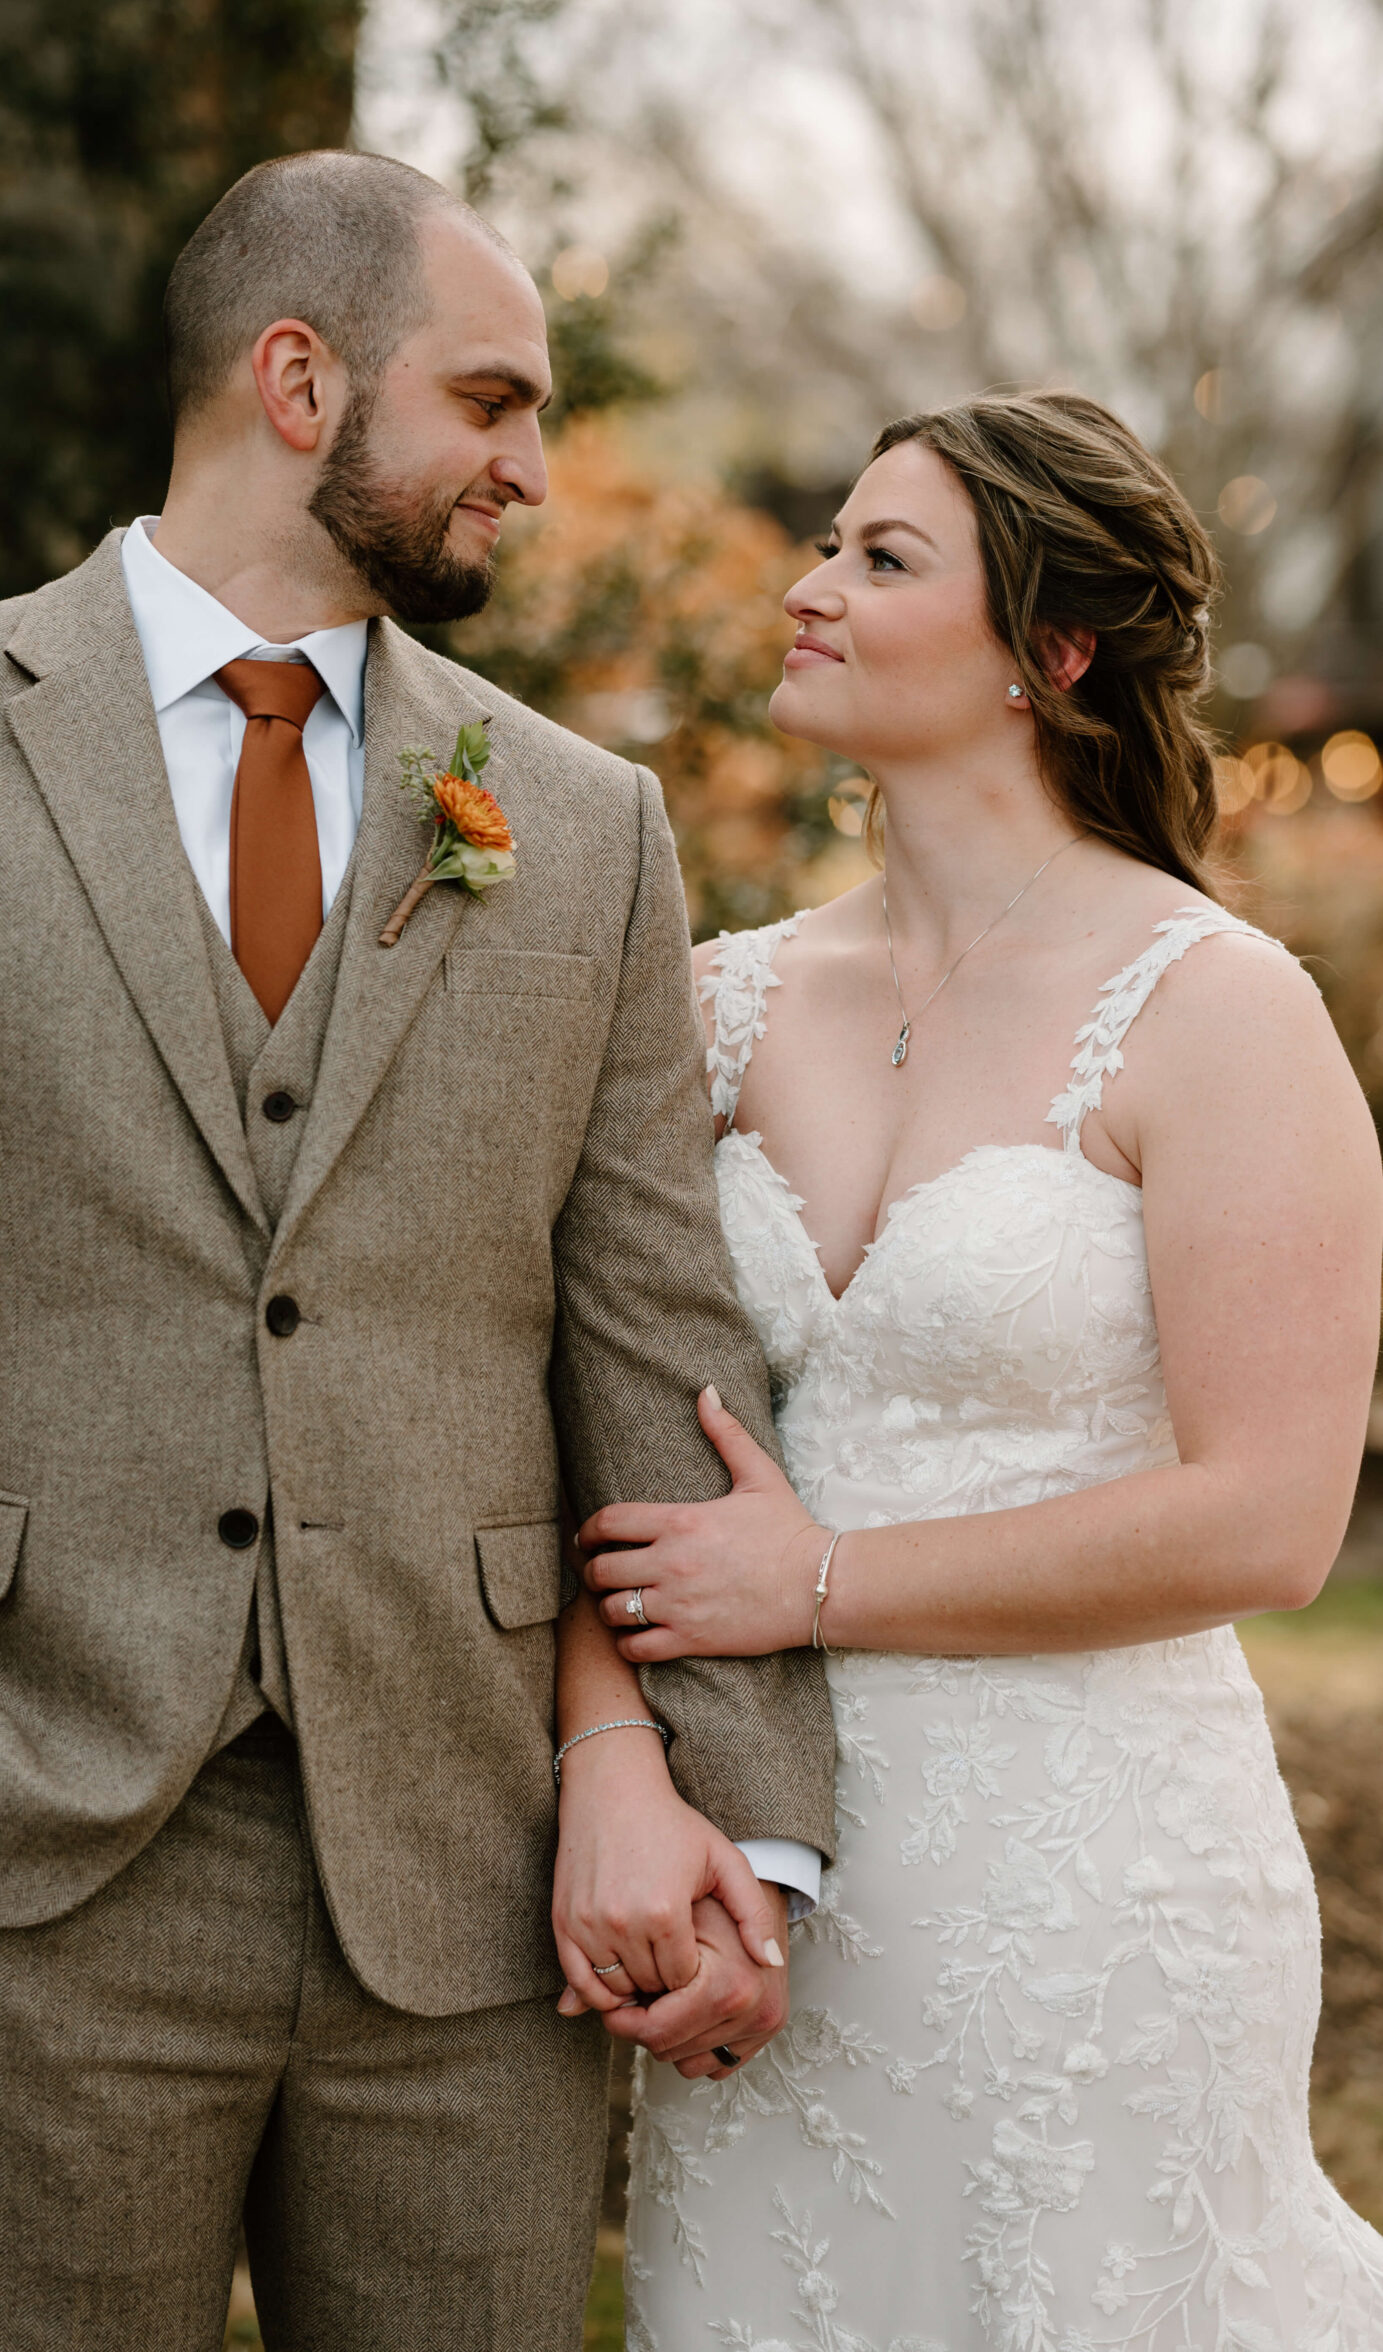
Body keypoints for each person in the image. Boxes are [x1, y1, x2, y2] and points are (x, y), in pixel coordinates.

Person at [0, 150, 834, 2352]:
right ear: (298, 379)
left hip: (477, 1878)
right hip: (21, 1850)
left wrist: (742, 1817)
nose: (532, 464)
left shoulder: (579, 824)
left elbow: (651, 1338)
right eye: (493, 400)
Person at [553, 391, 1383, 2347]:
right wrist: (621, 1766)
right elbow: (574, 1419)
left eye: (880, 556)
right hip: (762, 1878)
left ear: (1050, 653)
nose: (808, 586)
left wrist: (829, 1577)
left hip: (1091, 1888)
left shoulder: (1217, 1009)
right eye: (828, 543)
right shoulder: (713, 996)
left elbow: (1271, 1517)